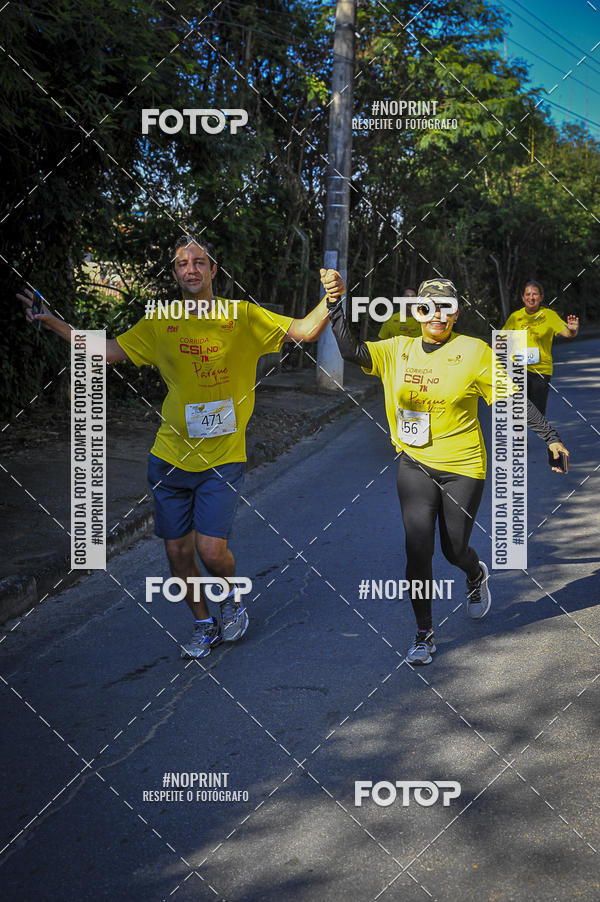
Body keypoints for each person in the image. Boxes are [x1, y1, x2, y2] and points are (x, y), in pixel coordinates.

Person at [18, 238, 345, 659]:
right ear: (174, 273)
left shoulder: (242, 316)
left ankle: (230, 597)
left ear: (213, 269)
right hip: (169, 459)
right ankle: (204, 624)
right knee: (177, 553)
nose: (190, 268)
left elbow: (304, 330)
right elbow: (106, 351)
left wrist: (332, 297)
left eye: (199, 262)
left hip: (222, 461)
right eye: (181, 263)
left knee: (211, 550)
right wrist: (53, 323)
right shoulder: (160, 322)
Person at [324, 273, 570, 666]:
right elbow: (352, 351)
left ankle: (474, 574)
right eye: (428, 307)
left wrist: (551, 437)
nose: (437, 315)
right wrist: (335, 303)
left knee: (454, 549)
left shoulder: (474, 352)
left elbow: (512, 398)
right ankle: (424, 634)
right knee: (417, 548)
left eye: (446, 307)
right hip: (415, 464)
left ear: (456, 314)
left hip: (463, 468)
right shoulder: (397, 348)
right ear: (417, 312)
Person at [502, 281, 579, 414]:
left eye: (535, 294)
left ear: (541, 297)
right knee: (518, 412)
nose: (531, 297)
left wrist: (573, 330)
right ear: (523, 297)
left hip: (541, 371)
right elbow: (501, 339)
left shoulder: (549, 315)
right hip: (518, 369)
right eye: (528, 294)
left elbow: (567, 333)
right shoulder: (515, 317)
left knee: (537, 414)